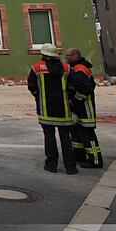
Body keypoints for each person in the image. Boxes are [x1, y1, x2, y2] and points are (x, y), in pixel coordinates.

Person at [27, 43, 76, 174]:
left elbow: (31, 86)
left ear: (43, 54)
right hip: (64, 110)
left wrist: (38, 97)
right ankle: (70, 167)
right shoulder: (66, 68)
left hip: (46, 110)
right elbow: (72, 86)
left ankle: (51, 165)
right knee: (66, 138)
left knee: (49, 137)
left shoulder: (37, 67)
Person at [66, 47, 103, 169]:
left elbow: (86, 88)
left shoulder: (80, 70)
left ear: (75, 56)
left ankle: (95, 160)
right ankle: (79, 156)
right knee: (76, 134)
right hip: (78, 108)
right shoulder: (76, 69)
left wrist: (74, 100)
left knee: (88, 135)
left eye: (69, 56)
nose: (66, 58)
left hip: (85, 108)